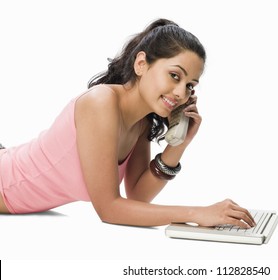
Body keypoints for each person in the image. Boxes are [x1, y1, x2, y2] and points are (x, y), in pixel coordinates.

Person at [0, 18, 256, 229]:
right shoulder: (101, 103)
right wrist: (198, 213)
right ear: (141, 63)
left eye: (190, 85)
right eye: (174, 75)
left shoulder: (141, 122)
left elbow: (138, 197)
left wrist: (178, 146)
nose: (181, 93)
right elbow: (109, 209)